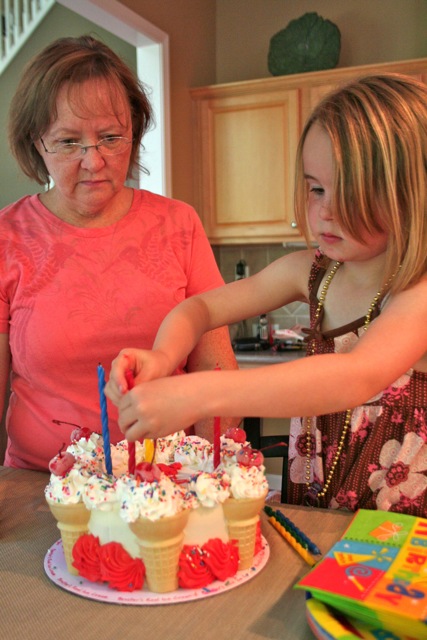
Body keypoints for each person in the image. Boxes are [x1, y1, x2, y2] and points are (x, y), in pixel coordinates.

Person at [106, 73, 427, 516]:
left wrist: (200, 395)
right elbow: (199, 308)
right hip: (316, 513)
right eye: (316, 188)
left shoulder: (418, 292)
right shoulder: (311, 273)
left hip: (400, 536)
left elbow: (354, 376)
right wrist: (163, 358)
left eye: (350, 191)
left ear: (410, 195)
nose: (325, 210)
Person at [0, 35, 238, 471]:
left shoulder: (179, 225)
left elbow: (216, 375)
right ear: (37, 142)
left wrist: (215, 478)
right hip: (40, 488)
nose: (94, 162)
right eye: (69, 142)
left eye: (111, 138)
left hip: (166, 483)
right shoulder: (7, 238)